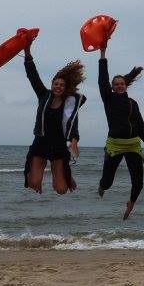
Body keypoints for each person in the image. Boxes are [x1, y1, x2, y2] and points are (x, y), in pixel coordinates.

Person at [97, 45, 144, 219]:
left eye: (122, 84)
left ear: (126, 85)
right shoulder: (108, 99)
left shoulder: (133, 103)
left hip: (133, 145)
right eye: (116, 84)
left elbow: (141, 127)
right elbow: (102, 80)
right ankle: (102, 185)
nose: (119, 86)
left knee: (138, 183)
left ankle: (131, 203)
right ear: (112, 87)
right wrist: (102, 54)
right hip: (115, 145)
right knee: (107, 182)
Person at [22, 46, 86, 194]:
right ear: (52, 85)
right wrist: (27, 53)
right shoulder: (43, 95)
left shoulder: (70, 105)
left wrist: (74, 140)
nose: (58, 87)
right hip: (41, 144)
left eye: (62, 85)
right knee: (33, 183)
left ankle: (62, 173)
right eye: (56, 84)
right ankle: (40, 171)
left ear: (65, 88)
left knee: (61, 190)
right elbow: (32, 76)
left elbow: (73, 126)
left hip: (59, 147)